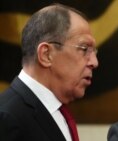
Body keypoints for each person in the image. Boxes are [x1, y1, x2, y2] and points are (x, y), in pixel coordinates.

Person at [0, 3, 98, 141]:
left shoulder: (58, 111)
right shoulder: (6, 118)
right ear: (46, 55)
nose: (94, 62)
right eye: (84, 48)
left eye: (94, 51)